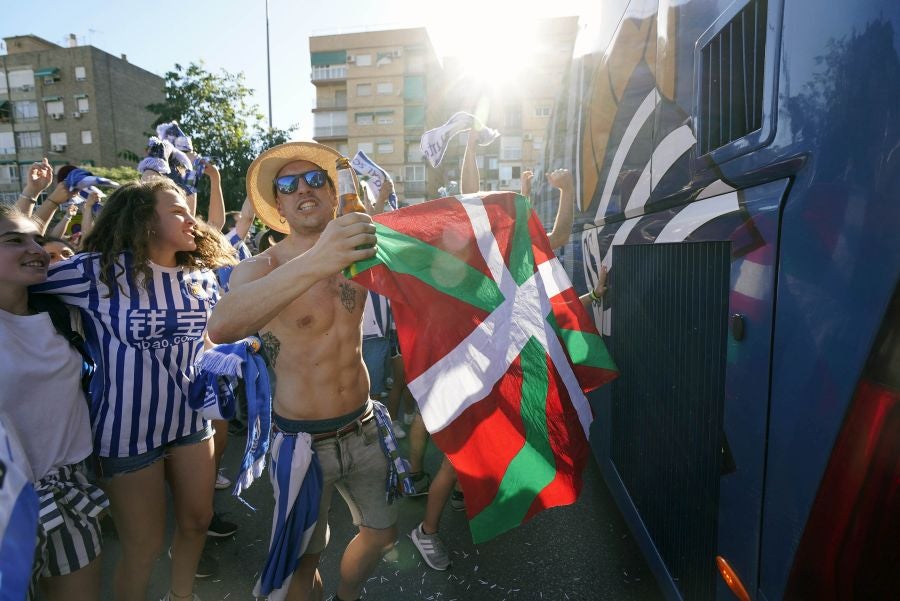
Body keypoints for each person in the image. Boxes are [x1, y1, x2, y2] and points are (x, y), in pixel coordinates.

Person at [30, 179, 237, 601]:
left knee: (197, 521)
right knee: (144, 549)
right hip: (125, 437)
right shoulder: (97, 271)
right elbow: (18, 277)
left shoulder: (200, 276)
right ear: (143, 219)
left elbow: (211, 337)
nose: (191, 220)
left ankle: (181, 596)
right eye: (178, 210)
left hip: (190, 422)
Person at [207, 141, 393, 601]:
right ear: (279, 206)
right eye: (288, 185)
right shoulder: (260, 267)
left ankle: (346, 596)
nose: (303, 190)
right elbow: (222, 325)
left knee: (383, 535)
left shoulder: (363, 249)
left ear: (334, 193)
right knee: (303, 559)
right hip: (301, 442)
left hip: (365, 429)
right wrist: (317, 259)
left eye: (315, 180)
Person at [0, 203, 109, 600]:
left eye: (37, 239)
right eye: (15, 240)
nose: (38, 248)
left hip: (70, 488)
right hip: (7, 506)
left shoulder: (64, 316)